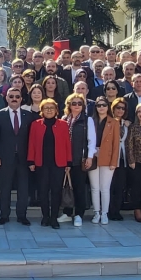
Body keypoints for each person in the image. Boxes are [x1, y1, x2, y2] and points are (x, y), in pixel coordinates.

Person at [0, 87, 33, 226]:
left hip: (24, 159)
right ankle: (4, 215)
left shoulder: (29, 115)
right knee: (5, 188)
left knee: (23, 189)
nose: (14, 98)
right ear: (6, 98)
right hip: (5, 158)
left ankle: (22, 216)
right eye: (11, 96)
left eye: (17, 96)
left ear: (21, 99)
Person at [28, 99, 71, 228]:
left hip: (58, 163)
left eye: (52, 108)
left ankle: (54, 218)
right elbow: (32, 143)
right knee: (43, 191)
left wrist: (68, 162)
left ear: (56, 110)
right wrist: (31, 160)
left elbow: (67, 144)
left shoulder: (63, 124)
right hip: (41, 163)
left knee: (56, 191)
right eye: (46, 108)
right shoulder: (36, 124)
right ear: (41, 110)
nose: (49, 110)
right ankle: (45, 217)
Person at [86, 96, 121, 225]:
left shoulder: (114, 122)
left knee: (105, 188)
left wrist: (114, 162)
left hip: (107, 157)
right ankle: (96, 212)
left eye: (104, 105)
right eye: (98, 105)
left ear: (108, 107)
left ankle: (104, 213)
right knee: (94, 188)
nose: (101, 107)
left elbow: (116, 144)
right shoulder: (91, 120)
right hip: (93, 156)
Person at [56, 93, 90, 226]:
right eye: (74, 103)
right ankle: (67, 212)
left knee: (79, 187)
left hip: (79, 159)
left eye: (79, 103)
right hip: (64, 159)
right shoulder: (64, 119)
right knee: (66, 186)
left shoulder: (87, 120)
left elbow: (91, 140)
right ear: (69, 105)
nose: (76, 106)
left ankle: (79, 214)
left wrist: (90, 156)